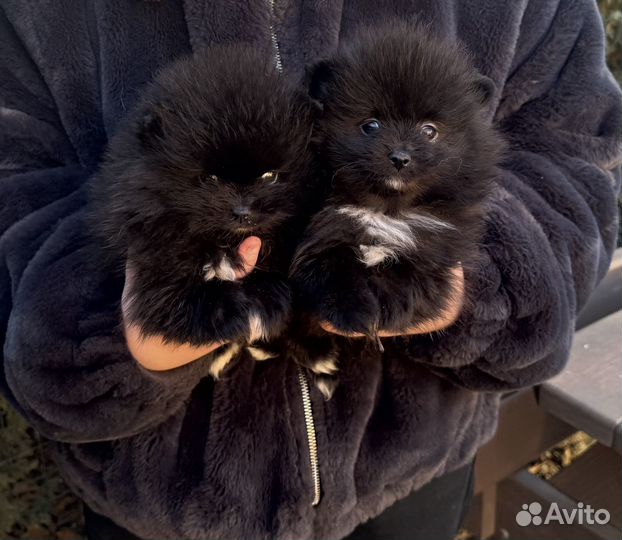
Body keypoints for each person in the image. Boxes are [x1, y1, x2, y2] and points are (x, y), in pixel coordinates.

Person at [0, 1, 620, 539]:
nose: (399, 148)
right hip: (161, 493)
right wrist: (114, 325)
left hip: (410, 462)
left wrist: (454, 272)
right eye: (372, 127)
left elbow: (576, 152)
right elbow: (14, 179)